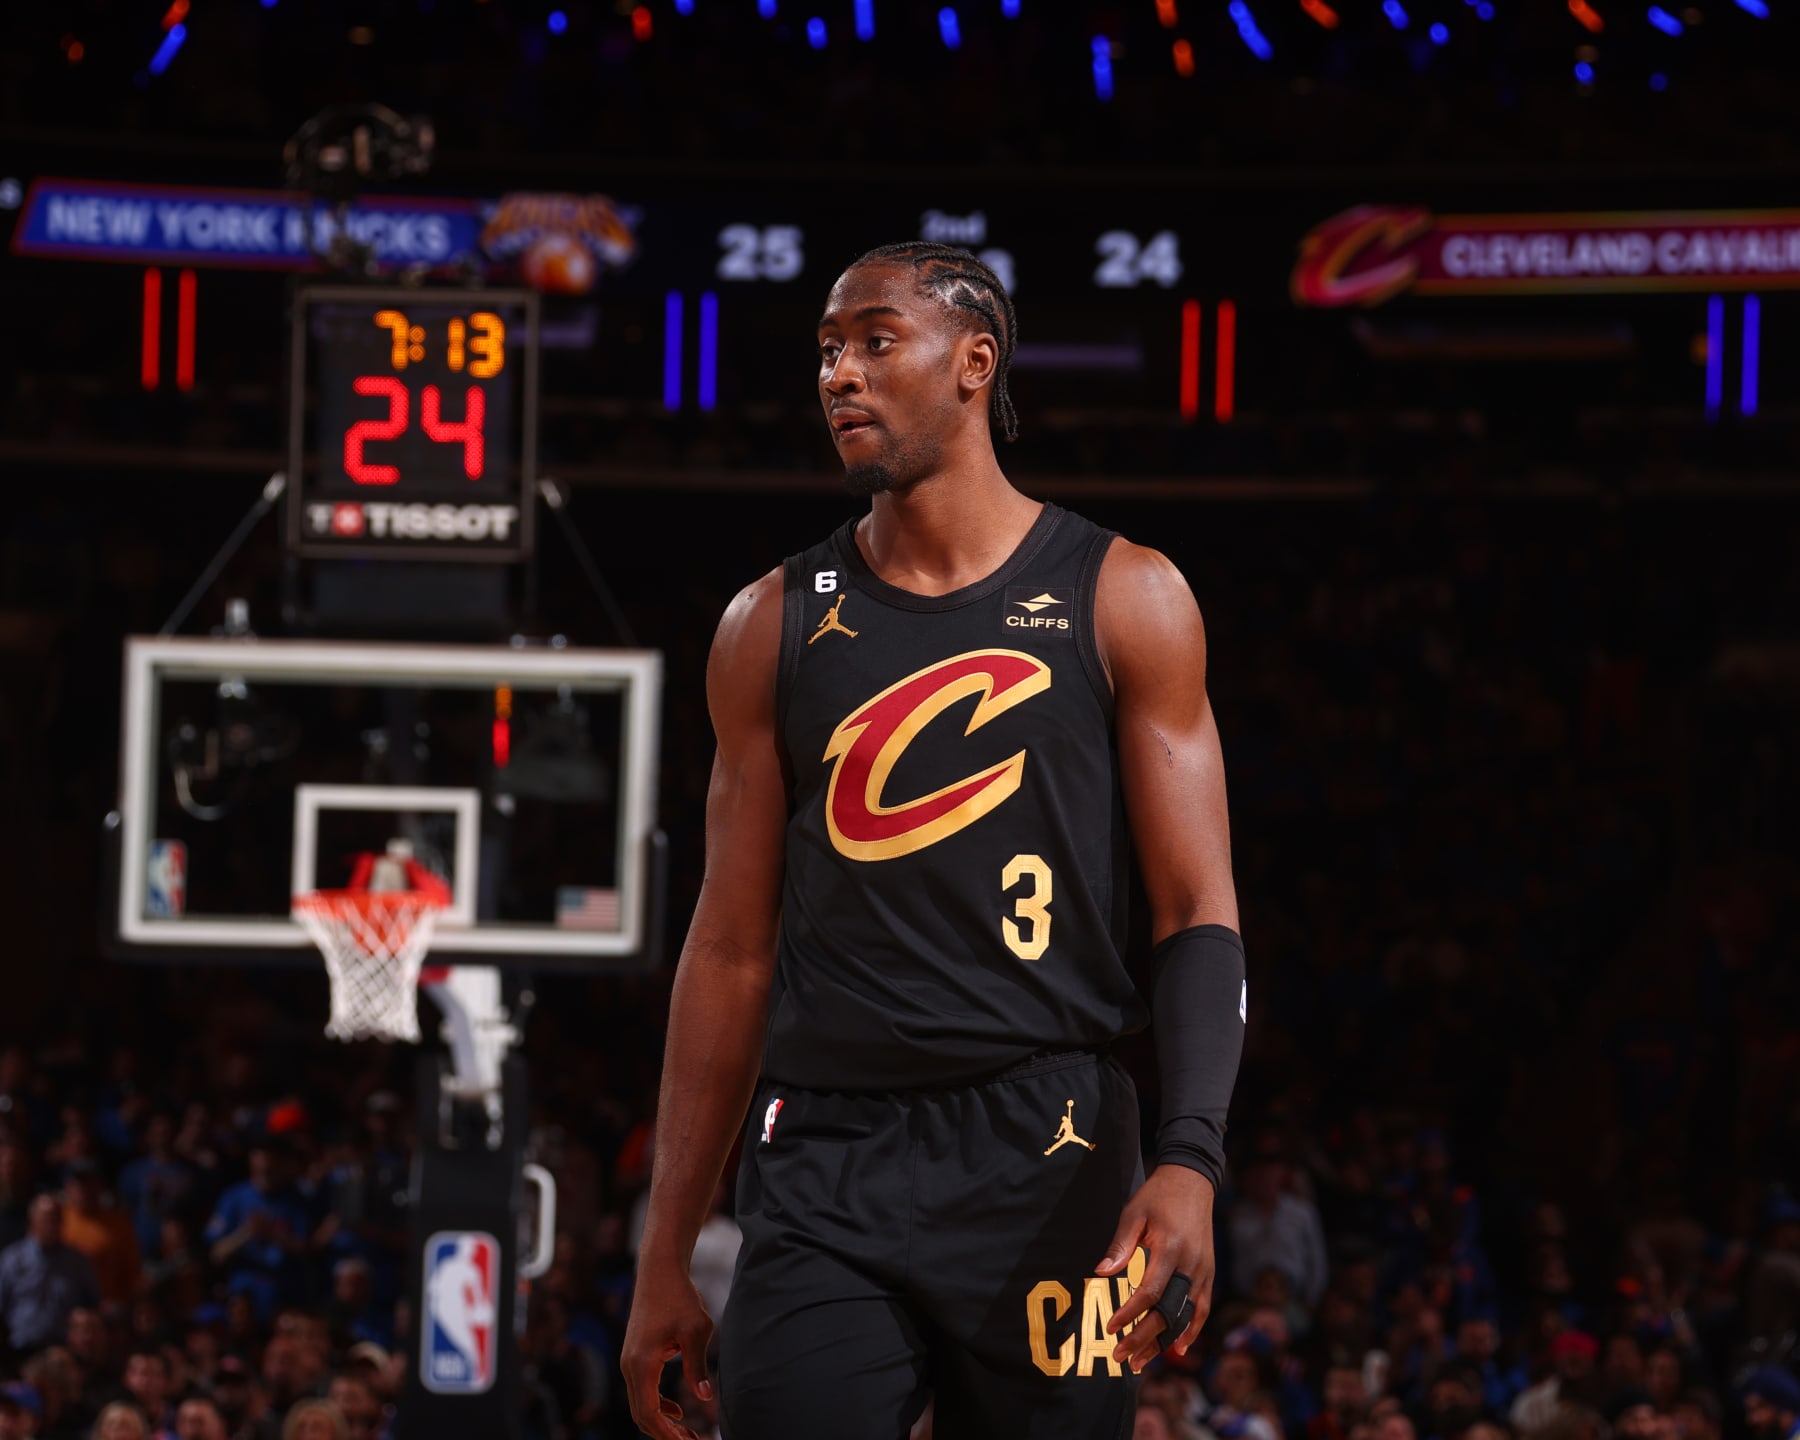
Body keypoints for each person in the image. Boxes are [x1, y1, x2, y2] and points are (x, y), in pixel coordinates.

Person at [622, 243, 1246, 1438]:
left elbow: (1198, 916)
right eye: (825, 351)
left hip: (1054, 1154)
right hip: (822, 1157)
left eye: (872, 340)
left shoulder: (1128, 595)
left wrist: (1192, 1160)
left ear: (975, 362)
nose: (839, 375)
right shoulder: (768, 624)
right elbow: (729, 951)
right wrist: (666, 1250)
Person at [0, 1197, 99, 1356]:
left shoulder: (78, 1263)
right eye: (47, 1218)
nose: (52, 1224)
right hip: (19, 1350)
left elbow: (91, 1306)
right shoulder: (11, 1260)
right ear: (33, 1221)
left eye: (57, 1218)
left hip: (63, 1352)